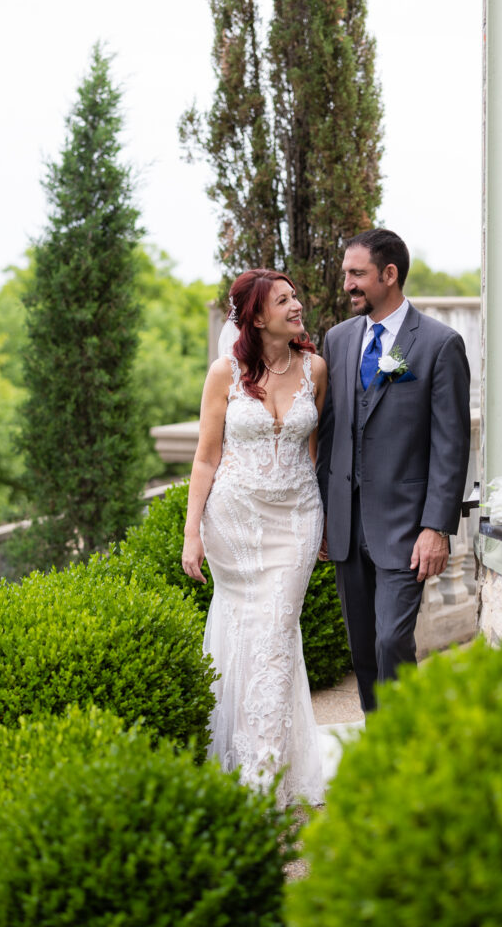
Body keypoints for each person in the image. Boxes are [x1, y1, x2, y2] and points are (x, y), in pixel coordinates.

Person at [181, 268, 327, 806]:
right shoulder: (225, 372)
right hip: (235, 525)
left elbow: (313, 452)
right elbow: (205, 456)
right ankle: (245, 758)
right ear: (256, 315)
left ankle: (261, 779)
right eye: (283, 300)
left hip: (296, 521)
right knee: (245, 635)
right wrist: (192, 532)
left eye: (295, 297)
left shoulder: (316, 368)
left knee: (275, 632)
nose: (297, 306)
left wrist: (326, 520)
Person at [316, 229, 470, 713]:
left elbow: (451, 443)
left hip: (405, 527)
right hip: (346, 523)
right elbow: (329, 433)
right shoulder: (338, 340)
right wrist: (324, 516)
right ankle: (380, 751)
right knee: (363, 650)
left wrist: (437, 528)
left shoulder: (439, 344)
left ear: (389, 274)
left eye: (356, 274)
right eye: (346, 274)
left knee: (391, 642)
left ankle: (405, 754)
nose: (347, 285)